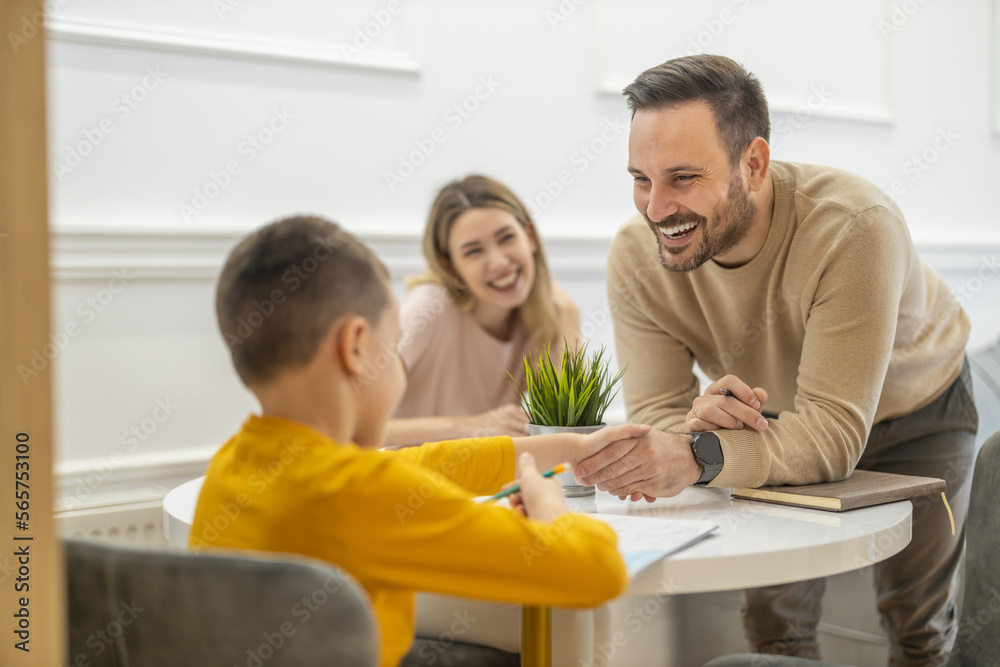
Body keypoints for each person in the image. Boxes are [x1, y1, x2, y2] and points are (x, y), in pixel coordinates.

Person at [574, 55, 977, 666]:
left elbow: (837, 432)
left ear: (754, 164)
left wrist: (696, 450)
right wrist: (695, 429)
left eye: (683, 177)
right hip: (778, 414)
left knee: (917, 624)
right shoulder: (637, 257)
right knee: (773, 622)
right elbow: (659, 413)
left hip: (918, 406)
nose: (655, 209)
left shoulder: (853, 226)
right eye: (640, 178)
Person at [189, 215, 645, 667]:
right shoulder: (365, 494)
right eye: (394, 345)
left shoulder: (234, 467)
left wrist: (568, 449)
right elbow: (597, 573)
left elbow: (429, 466)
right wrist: (551, 510)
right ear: (356, 347)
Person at [385, 175, 580, 448]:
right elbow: (352, 425)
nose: (499, 262)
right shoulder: (427, 308)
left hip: (483, 485)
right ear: (450, 265)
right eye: (473, 251)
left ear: (530, 237)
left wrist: (567, 318)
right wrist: (468, 426)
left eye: (507, 238)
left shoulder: (546, 314)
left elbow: (565, 433)